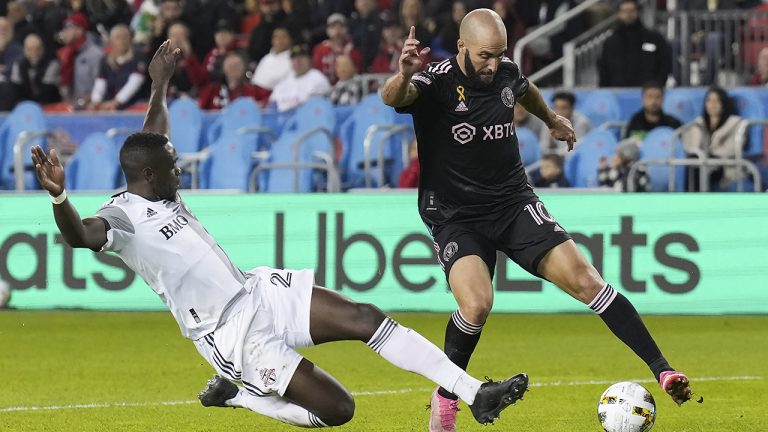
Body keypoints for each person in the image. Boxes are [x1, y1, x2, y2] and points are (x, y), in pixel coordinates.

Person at [31, 39, 528, 430]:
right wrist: (59, 197)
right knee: (339, 409)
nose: (180, 170)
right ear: (151, 176)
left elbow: (153, 137)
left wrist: (159, 86)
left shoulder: (157, 187)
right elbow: (79, 235)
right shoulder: (121, 219)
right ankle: (242, 394)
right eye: (174, 167)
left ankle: (473, 393)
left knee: (364, 316)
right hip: (230, 336)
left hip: (256, 291)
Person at [380, 10, 693, 432]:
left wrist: (550, 119)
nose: (494, 64)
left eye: (500, 54)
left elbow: (524, 90)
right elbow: (393, 98)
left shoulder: (505, 71)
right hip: (457, 215)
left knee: (588, 282)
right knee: (476, 304)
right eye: (485, 55)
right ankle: (447, 394)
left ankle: (663, 370)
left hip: (513, 203)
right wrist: (402, 74)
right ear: (462, 48)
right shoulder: (433, 80)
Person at [681, 86, 745, 191]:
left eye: (717, 100)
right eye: (709, 100)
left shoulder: (737, 124)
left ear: (724, 103)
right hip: (702, 162)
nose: (712, 104)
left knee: (701, 169)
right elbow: (691, 147)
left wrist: (710, 156)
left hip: (724, 166)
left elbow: (732, 149)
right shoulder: (698, 123)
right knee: (692, 165)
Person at [598, 0, 672, 87]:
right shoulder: (610, 42)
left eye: (632, 11)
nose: (628, 14)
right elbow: (604, 70)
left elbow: (665, 63)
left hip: (648, 94)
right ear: (618, 14)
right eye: (624, 11)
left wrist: (657, 85)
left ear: (638, 12)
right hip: (618, 93)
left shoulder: (654, 38)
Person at [89, 25, 146, 111]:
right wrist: (95, 101)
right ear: (111, 41)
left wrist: (116, 102)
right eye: (118, 37)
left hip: (134, 105)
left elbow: (135, 82)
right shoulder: (105, 60)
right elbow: (100, 83)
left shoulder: (138, 56)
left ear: (131, 39)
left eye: (125, 37)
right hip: (110, 104)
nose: (122, 41)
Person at [56, 12, 103, 107]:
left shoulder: (95, 54)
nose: (64, 31)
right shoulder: (66, 53)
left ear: (79, 30)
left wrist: (84, 100)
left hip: (91, 109)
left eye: (68, 27)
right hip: (70, 107)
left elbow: (100, 85)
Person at [198, 51, 271, 109]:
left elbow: (272, 98)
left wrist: (259, 105)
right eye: (230, 66)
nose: (233, 69)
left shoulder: (253, 89)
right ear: (223, 68)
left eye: (237, 65)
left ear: (244, 68)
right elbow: (199, 109)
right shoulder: (212, 90)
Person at [270, 44, 331, 112]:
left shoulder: (318, 79)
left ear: (310, 59)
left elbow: (315, 109)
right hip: (282, 120)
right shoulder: (284, 81)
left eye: (301, 57)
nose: (297, 61)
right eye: (294, 58)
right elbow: (272, 106)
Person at [10, 33, 61, 106]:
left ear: (43, 49)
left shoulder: (52, 64)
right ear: (24, 50)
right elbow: (16, 90)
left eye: (37, 48)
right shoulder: (18, 65)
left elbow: (47, 91)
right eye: (30, 49)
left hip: (49, 105)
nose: (34, 53)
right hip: (25, 106)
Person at [312, 13, 363, 85]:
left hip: (349, 87)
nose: (337, 31)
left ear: (346, 29)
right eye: (333, 27)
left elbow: (358, 72)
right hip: (325, 89)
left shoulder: (353, 49)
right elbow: (316, 73)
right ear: (327, 31)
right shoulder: (319, 50)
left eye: (341, 27)